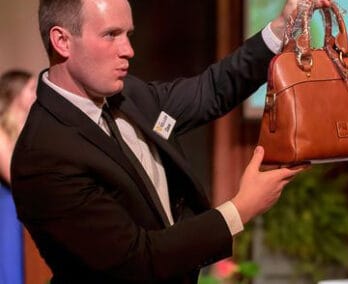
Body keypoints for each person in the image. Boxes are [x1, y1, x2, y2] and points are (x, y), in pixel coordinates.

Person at [11, 0, 331, 283]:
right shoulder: (44, 154)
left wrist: (280, 28)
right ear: (62, 41)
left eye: (128, 34)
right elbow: (138, 260)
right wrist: (241, 208)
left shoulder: (128, 94)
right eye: (111, 35)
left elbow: (210, 91)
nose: (128, 50)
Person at [0, 70, 36, 284]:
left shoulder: (31, 128)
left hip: (28, 209)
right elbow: (15, 176)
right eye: (31, 89)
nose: (36, 94)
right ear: (16, 92)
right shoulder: (1, 132)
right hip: (7, 211)